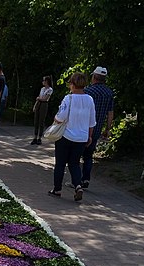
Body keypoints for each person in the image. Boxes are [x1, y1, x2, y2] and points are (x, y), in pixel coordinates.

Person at [47, 72, 95, 202]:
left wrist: (55, 119)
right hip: (81, 137)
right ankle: (78, 185)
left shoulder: (69, 98)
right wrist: (89, 137)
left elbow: (60, 117)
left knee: (60, 164)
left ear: (72, 84)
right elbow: (92, 122)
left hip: (66, 136)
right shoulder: (90, 100)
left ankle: (57, 189)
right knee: (74, 163)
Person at [81, 66, 114, 188]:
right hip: (97, 128)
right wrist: (108, 129)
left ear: (94, 77)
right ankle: (86, 179)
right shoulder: (109, 93)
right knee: (89, 155)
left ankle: (77, 181)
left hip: (84, 127)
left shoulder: (88, 91)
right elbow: (110, 113)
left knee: (77, 154)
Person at [31, 75, 53, 145]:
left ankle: (39, 137)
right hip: (39, 103)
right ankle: (35, 136)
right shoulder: (42, 89)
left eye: (44, 80)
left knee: (41, 121)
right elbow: (40, 97)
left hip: (44, 104)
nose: (43, 82)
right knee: (36, 120)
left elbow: (45, 98)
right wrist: (35, 106)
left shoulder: (50, 89)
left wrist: (39, 98)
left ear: (47, 81)